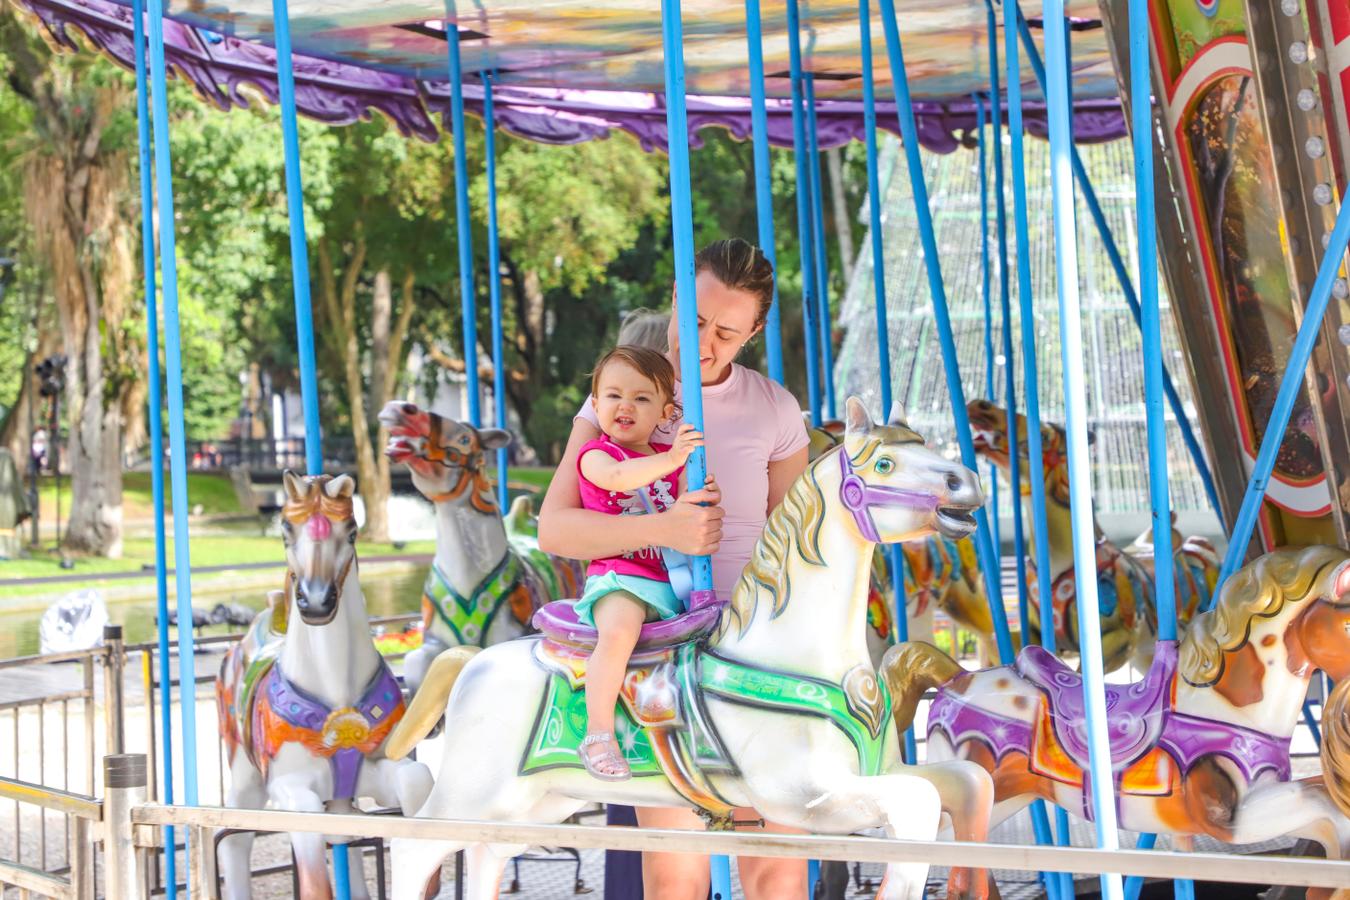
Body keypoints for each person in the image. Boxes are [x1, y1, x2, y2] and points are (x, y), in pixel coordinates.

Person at [539, 238, 810, 900]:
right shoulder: (625, 395)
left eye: (727, 333)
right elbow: (555, 529)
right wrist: (661, 530)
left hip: (752, 635)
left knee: (776, 864)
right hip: (662, 632)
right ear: (675, 300)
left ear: (753, 334)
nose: (704, 345)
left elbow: (794, 541)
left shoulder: (775, 408)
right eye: (694, 320)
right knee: (675, 873)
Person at [573, 346, 703, 781]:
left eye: (641, 398)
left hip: (670, 580)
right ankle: (598, 734)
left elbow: (686, 506)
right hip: (620, 577)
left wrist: (698, 488)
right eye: (613, 396)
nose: (625, 406)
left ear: (666, 413)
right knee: (619, 633)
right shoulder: (597, 454)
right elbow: (616, 479)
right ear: (596, 405)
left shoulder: (671, 458)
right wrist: (672, 460)